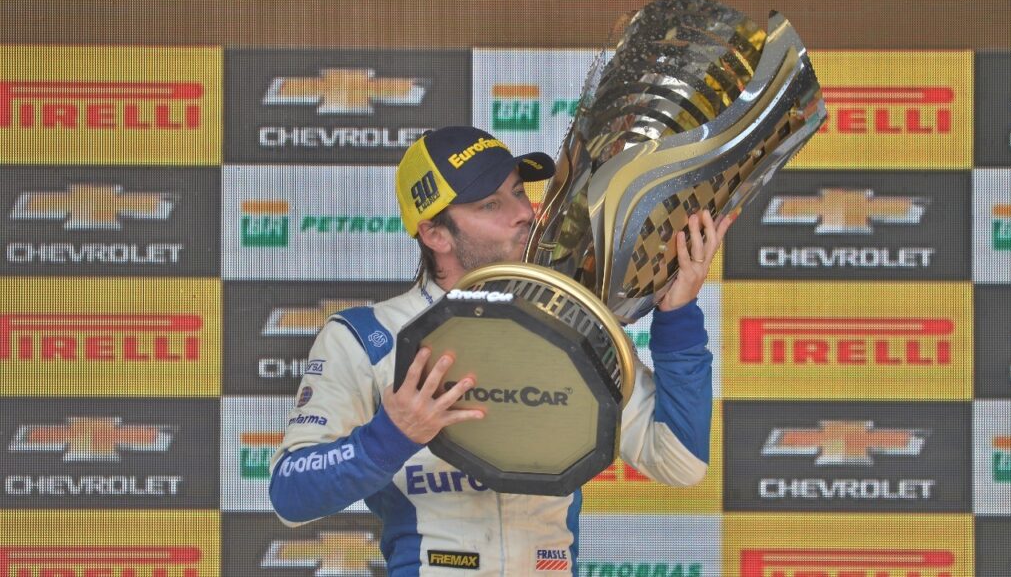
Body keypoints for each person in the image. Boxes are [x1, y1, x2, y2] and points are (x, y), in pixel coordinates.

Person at [268, 126, 735, 576]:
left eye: (517, 191)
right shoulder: (368, 336)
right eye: (492, 203)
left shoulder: (571, 322)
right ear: (436, 235)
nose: (525, 213)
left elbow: (679, 461)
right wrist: (392, 435)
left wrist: (677, 317)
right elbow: (289, 494)